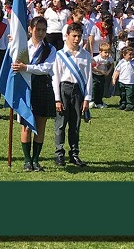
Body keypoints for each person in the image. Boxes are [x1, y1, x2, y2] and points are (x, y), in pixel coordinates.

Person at [11, 16, 56, 172]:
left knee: (40, 124)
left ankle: (36, 159)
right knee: (26, 125)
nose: (41, 32)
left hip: (42, 86)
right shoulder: (22, 46)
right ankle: (27, 160)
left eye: (44, 30)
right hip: (25, 87)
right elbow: (13, 63)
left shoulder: (50, 49)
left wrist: (27, 68)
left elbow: (46, 68)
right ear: (30, 29)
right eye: (38, 29)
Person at [52, 21, 93, 167]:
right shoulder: (60, 55)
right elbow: (55, 77)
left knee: (75, 124)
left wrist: (87, 98)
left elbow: (88, 78)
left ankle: (74, 154)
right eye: (74, 36)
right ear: (67, 36)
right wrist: (57, 99)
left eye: (79, 36)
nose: (77, 39)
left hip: (78, 91)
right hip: (64, 89)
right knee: (61, 124)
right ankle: (59, 153)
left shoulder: (85, 55)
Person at [113, 45, 134, 110]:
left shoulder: (133, 63)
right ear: (124, 55)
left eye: (132, 54)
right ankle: (123, 103)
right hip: (122, 81)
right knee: (122, 93)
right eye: (130, 54)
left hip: (130, 82)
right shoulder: (121, 62)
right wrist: (114, 79)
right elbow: (117, 71)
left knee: (129, 94)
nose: (131, 56)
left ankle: (129, 104)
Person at [90, 42, 114, 109]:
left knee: (101, 88)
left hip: (102, 76)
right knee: (94, 88)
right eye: (105, 52)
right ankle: (92, 101)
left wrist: (108, 72)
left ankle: (99, 102)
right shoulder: (96, 59)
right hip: (95, 75)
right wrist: (99, 71)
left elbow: (112, 64)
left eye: (108, 52)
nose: (107, 54)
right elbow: (92, 67)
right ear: (100, 52)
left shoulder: (109, 59)